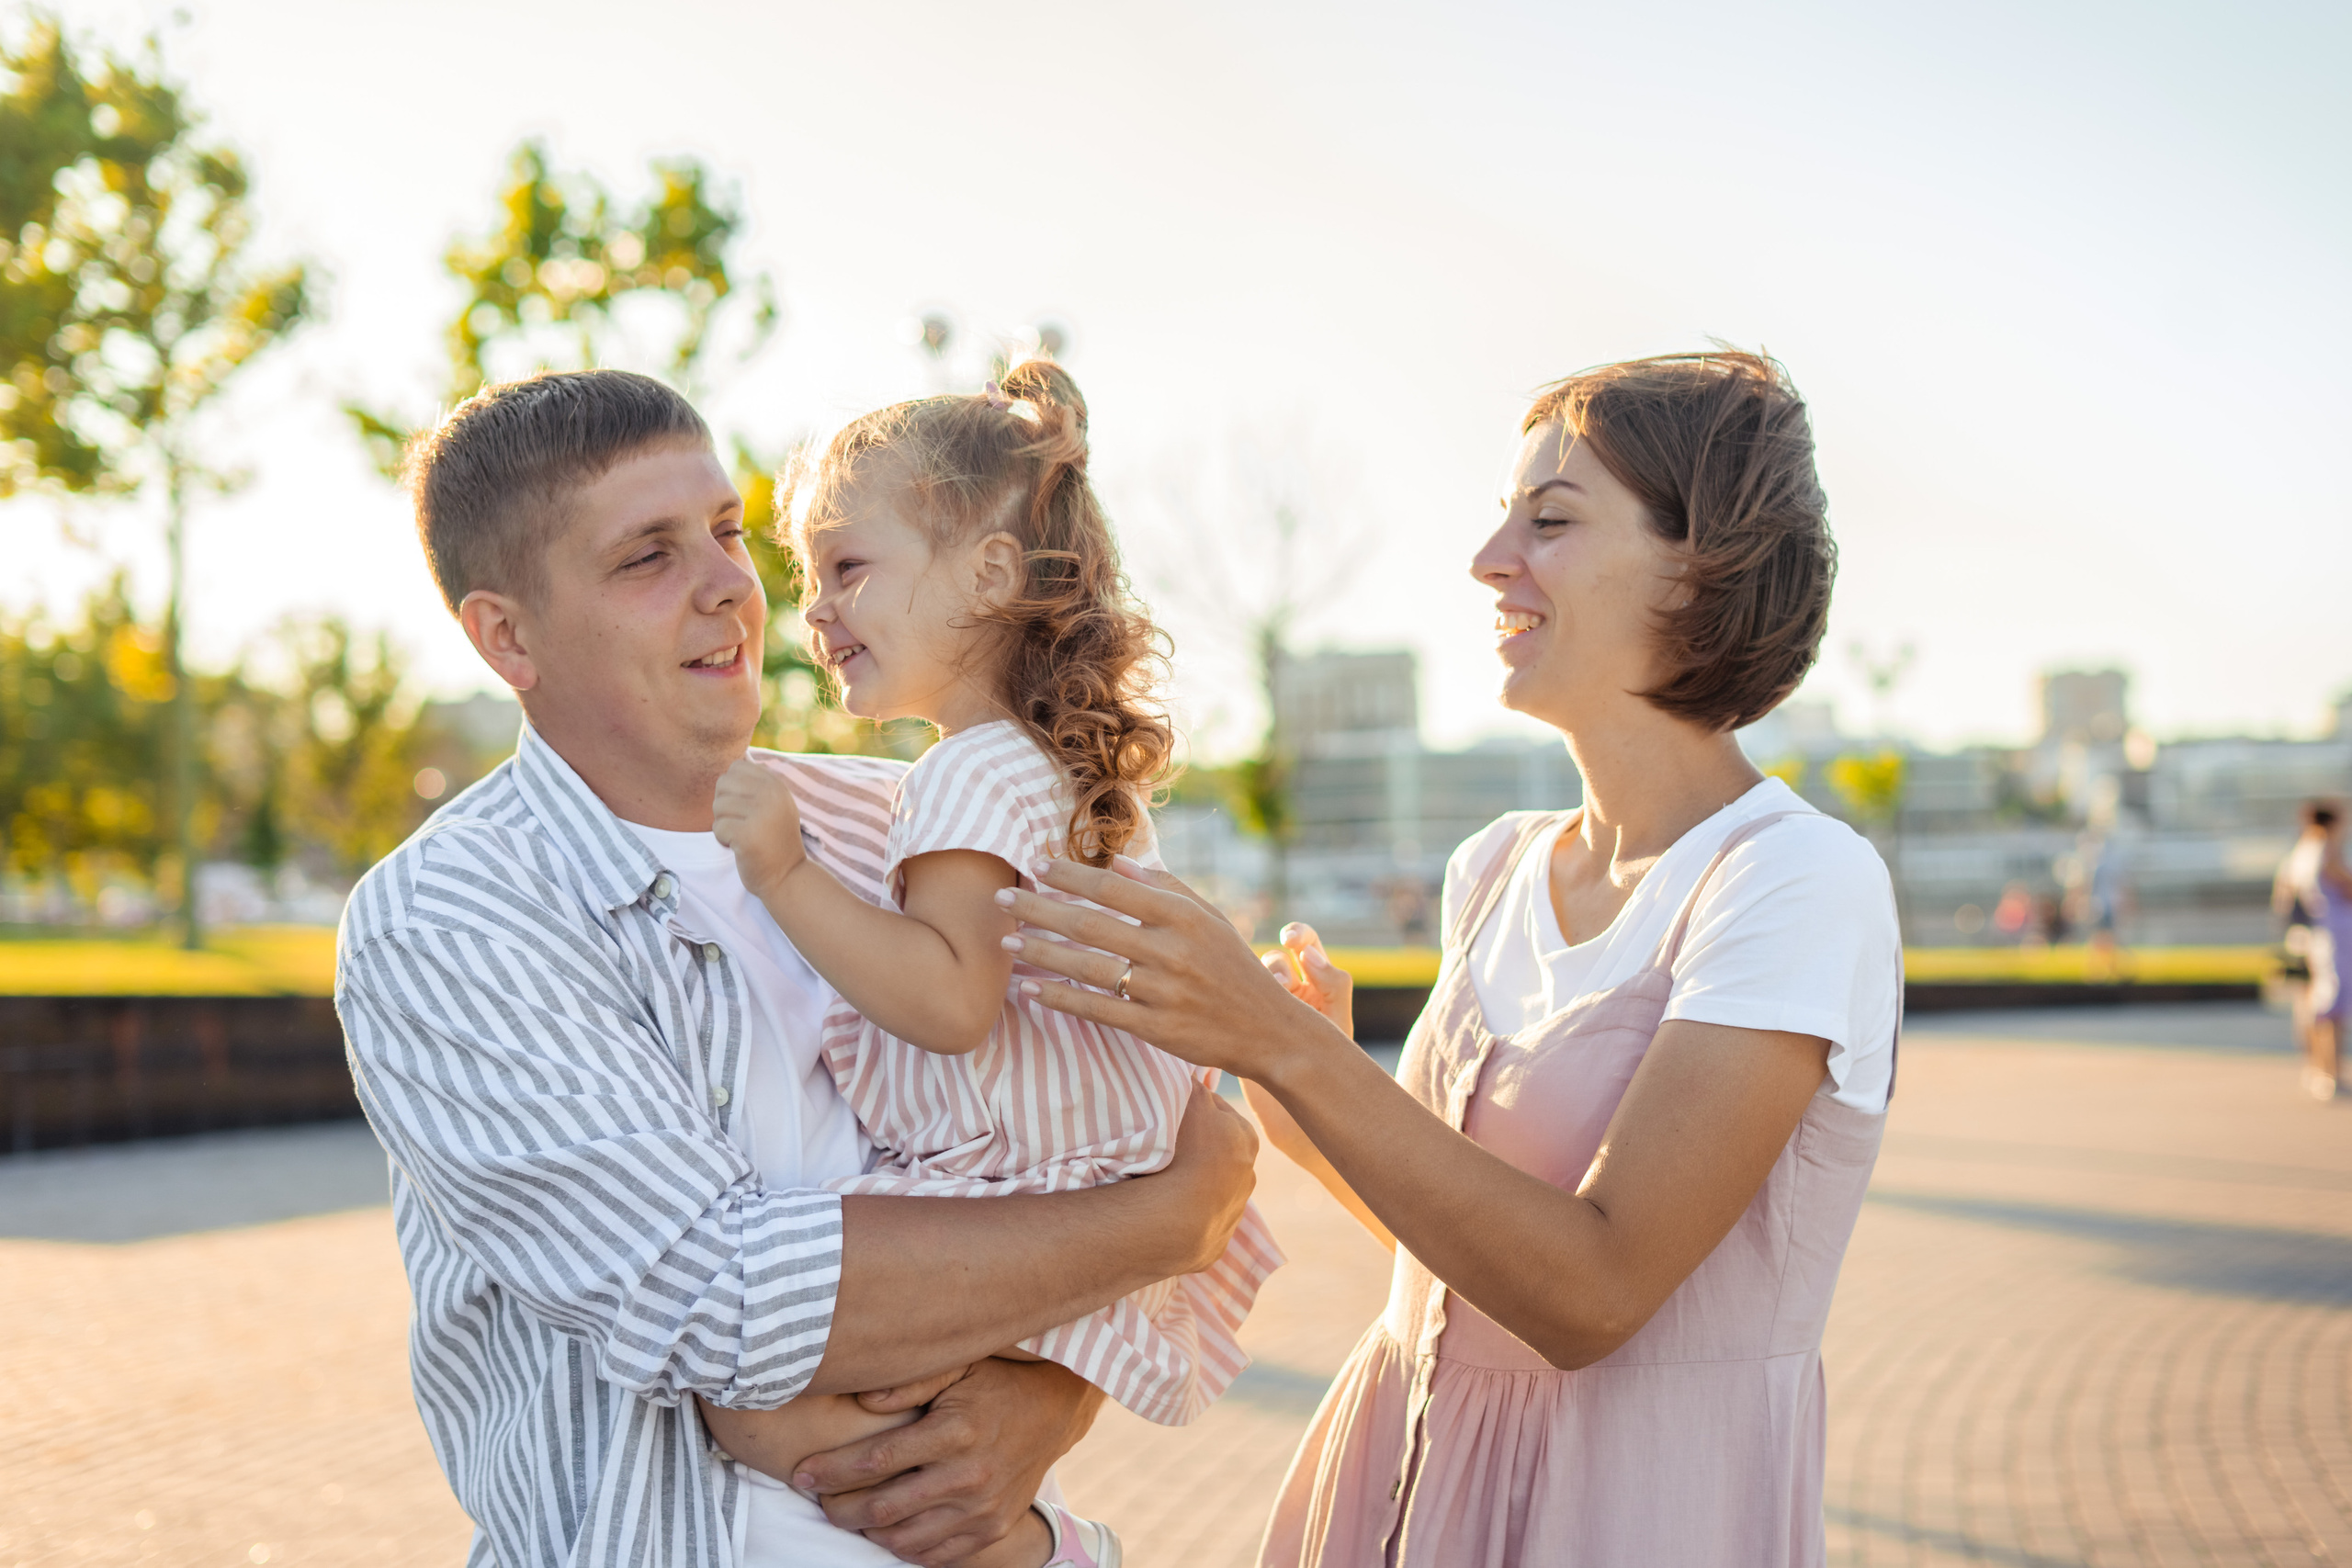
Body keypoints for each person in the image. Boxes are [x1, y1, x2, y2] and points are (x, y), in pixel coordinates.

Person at [334, 368, 1259, 1568]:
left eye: (724, 530)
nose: (731, 582)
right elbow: (714, 1297)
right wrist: (1167, 1221)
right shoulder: (453, 913)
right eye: (646, 556)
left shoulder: (908, 816)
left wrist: (1046, 1397)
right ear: (508, 635)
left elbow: (1143, 1079)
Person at [992, 351, 1900, 1565]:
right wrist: (1299, 1078)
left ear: (1700, 563)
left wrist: (1281, 1041)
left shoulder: (1793, 880)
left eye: (1551, 520)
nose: (1489, 558)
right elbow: (1464, 1258)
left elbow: (1593, 1290)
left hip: (1635, 1515)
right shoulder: (1498, 867)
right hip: (1400, 1485)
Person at [702, 364, 1282, 1512]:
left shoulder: (963, 774)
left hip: (1025, 1187)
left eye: (849, 568)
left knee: (751, 1392)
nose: (815, 611)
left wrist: (782, 872)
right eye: (810, 578)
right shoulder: (1046, 767)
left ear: (991, 575)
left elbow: (950, 1000)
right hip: (1106, 1167)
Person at [2274, 800, 2350, 1100]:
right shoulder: (2326, 850)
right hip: (2333, 937)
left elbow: (2284, 897)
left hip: (2307, 936)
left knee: (2310, 1005)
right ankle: (2332, 1072)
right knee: (2332, 1006)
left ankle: (2316, 1069)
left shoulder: (2299, 852)